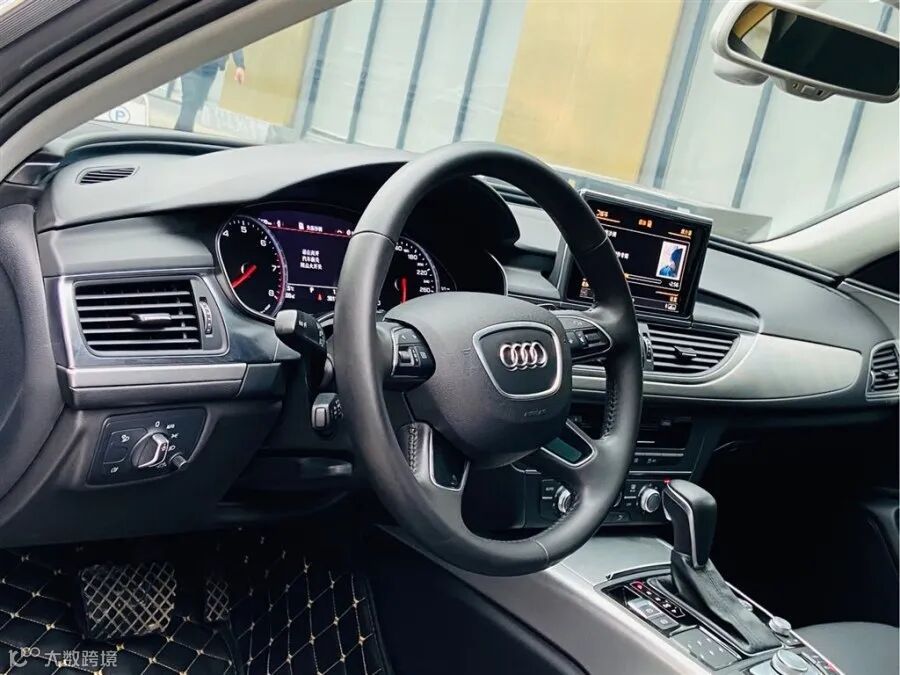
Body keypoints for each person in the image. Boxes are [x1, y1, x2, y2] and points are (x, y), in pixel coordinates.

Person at [174, 51, 245, 132]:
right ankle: (183, 134)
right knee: (190, 102)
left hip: (210, 69)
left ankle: (178, 134)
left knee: (194, 104)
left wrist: (240, 65)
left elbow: (233, 43)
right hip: (191, 62)